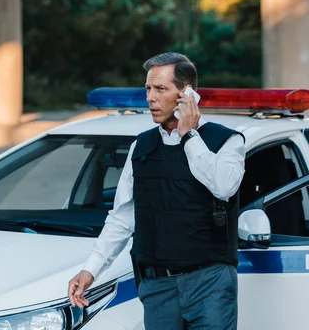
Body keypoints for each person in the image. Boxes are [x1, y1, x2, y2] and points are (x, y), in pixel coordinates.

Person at [68, 53, 245, 329]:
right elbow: (122, 217)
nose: (150, 97)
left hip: (209, 283)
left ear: (187, 94)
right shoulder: (142, 146)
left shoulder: (226, 141)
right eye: (148, 88)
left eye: (160, 89)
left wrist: (189, 136)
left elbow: (225, 187)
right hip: (157, 287)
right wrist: (90, 269)